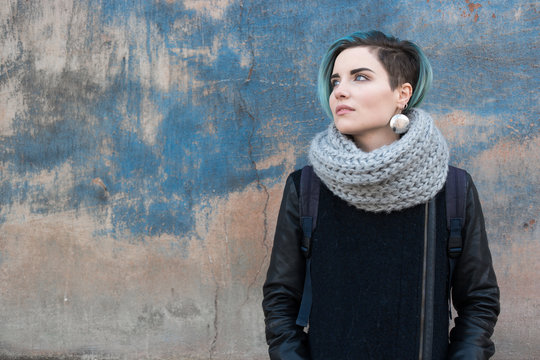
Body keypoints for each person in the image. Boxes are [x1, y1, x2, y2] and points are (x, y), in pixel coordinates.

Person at [262, 30, 500, 360]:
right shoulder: (307, 188)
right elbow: (281, 296)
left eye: (360, 77)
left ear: (402, 94)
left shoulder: (452, 189)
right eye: (335, 81)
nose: (340, 91)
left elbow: (479, 299)